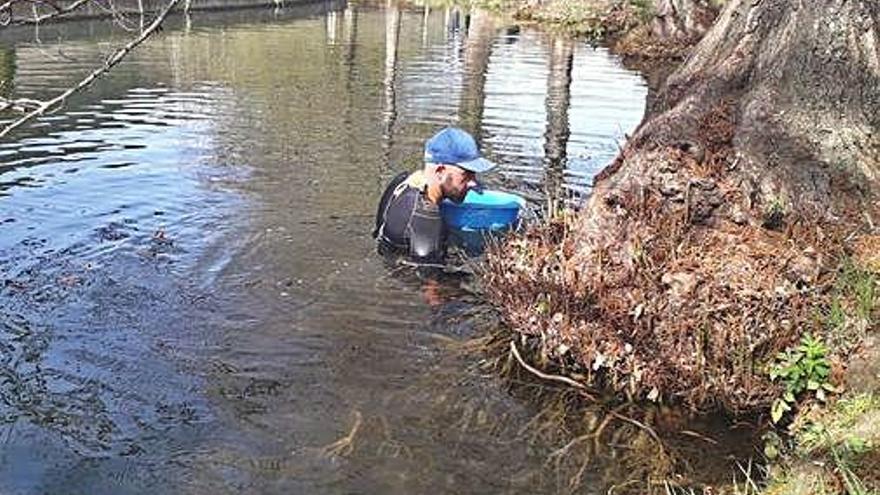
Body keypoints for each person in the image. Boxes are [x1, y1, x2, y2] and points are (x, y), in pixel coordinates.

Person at [373, 127, 496, 264]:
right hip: (407, 279)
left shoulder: (402, 182)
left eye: (474, 174)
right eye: (466, 175)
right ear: (440, 171)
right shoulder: (426, 217)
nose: (473, 183)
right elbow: (429, 282)